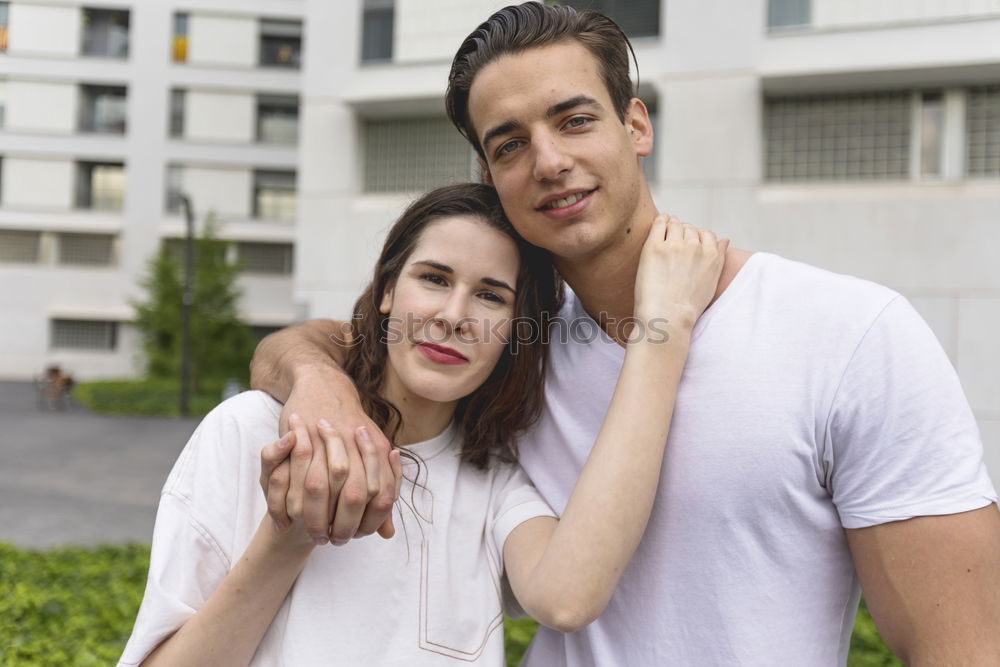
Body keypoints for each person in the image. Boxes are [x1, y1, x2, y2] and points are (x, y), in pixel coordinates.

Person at [250, 3, 1000, 666]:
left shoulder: (850, 334)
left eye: (575, 119)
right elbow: (311, 344)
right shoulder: (513, 338)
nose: (549, 161)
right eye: (510, 144)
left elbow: (962, 645)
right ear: (489, 172)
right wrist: (323, 390)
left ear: (636, 124)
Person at [119, 182, 727, 665]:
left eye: (490, 296)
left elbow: (567, 599)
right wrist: (290, 539)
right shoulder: (253, 431)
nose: (453, 316)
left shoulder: (495, 481)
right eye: (433, 279)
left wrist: (664, 330)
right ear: (387, 289)